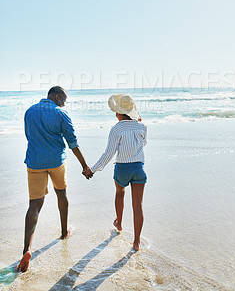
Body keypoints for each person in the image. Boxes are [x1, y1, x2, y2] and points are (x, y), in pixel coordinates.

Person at [18, 86, 92, 273]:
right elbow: (72, 142)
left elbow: (29, 136)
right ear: (57, 97)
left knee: (34, 205)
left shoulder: (29, 111)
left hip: (34, 161)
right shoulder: (61, 113)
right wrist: (84, 165)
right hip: (56, 162)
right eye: (64, 100)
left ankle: (27, 249)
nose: (64, 103)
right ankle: (64, 232)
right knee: (62, 194)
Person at [83, 94, 147, 251]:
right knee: (138, 205)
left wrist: (92, 169)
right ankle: (136, 242)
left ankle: (119, 223)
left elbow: (108, 154)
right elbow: (143, 144)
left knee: (120, 192)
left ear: (119, 113)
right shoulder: (142, 127)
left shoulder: (117, 128)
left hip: (122, 168)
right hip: (139, 168)